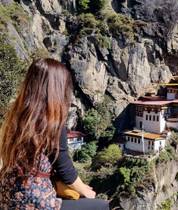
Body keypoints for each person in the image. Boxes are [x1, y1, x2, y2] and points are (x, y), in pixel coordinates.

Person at [0, 58, 109, 210]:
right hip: (34, 200)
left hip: (7, 196)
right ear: (56, 88)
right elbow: (63, 164)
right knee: (100, 206)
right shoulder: (51, 122)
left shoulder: (17, 116)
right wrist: (85, 190)